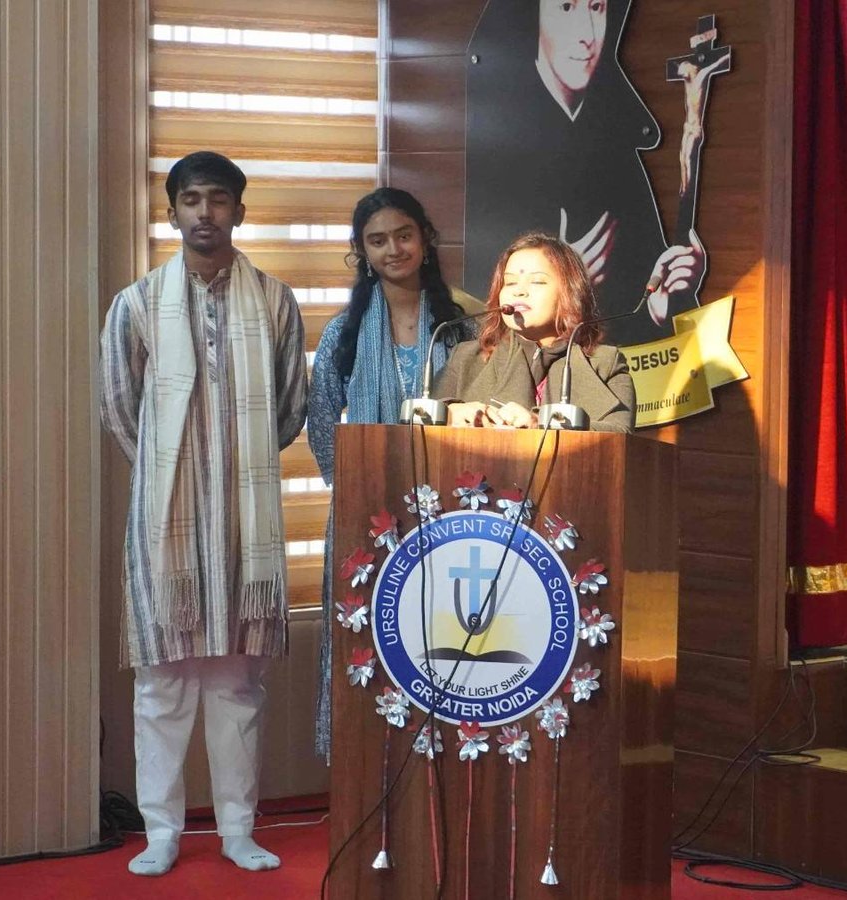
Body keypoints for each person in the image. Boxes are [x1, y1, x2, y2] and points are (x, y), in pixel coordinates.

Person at [99, 151, 308, 876]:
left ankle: (237, 829)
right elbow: (120, 409)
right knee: (162, 685)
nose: (205, 213)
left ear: (239, 212)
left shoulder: (275, 301)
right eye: (191, 200)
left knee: (237, 685)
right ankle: (161, 832)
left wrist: (231, 468)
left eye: (219, 199)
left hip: (247, 524)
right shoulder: (135, 304)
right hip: (166, 526)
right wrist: (177, 470)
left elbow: (289, 408)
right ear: (172, 212)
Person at [306, 187, 477, 760]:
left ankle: (443, 759)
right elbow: (321, 418)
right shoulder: (345, 331)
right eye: (377, 241)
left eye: (403, 235)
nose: (393, 249)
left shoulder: (462, 327)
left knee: (443, 639)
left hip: (451, 513)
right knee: (368, 642)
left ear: (425, 239)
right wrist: (355, 490)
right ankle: (362, 763)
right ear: (362, 252)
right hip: (368, 513)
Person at [465, 0, 704, 347]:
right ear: (533, 17)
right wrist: (560, 283)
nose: (587, 35)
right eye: (566, 7)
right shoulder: (500, 139)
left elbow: (629, 319)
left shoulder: (616, 142)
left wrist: (656, 305)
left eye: (596, 8)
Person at [431, 231, 635, 432]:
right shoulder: (466, 358)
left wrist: (540, 424)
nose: (518, 291)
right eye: (510, 282)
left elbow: (620, 434)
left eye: (537, 281)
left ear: (570, 292)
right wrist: (450, 413)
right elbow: (420, 420)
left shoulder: (605, 362)